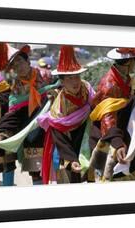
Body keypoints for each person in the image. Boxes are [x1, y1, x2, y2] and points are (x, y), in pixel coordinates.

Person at [0, 43, 59, 185]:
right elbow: (13, 114)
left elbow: (63, 88)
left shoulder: (46, 76)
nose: (17, 66)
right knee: (36, 173)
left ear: (27, 61)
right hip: (31, 134)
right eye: (13, 65)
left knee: (61, 168)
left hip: (53, 130)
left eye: (19, 61)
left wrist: (55, 95)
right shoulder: (15, 88)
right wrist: (1, 134)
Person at [89, 47, 135, 181]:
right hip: (110, 135)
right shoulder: (109, 85)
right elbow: (108, 118)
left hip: (122, 133)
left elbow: (124, 102)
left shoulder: (124, 78)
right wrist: (118, 143)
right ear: (129, 62)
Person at [37, 45, 95, 184]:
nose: (75, 81)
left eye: (77, 76)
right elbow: (59, 135)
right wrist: (71, 159)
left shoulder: (86, 88)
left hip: (88, 140)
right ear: (62, 82)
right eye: (69, 78)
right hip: (68, 147)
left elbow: (96, 107)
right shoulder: (58, 109)